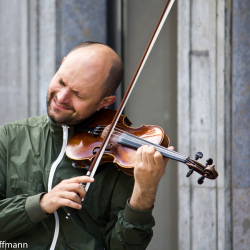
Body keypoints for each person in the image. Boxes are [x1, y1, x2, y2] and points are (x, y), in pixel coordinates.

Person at [0, 42, 174, 249]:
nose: (62, 97)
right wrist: (41, 203)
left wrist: (144, 190)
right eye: (61, 81)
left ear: (104, 102)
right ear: (62, 65)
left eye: (79, 94)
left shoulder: (120, 160)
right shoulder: (9, 137)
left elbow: (124, 247)